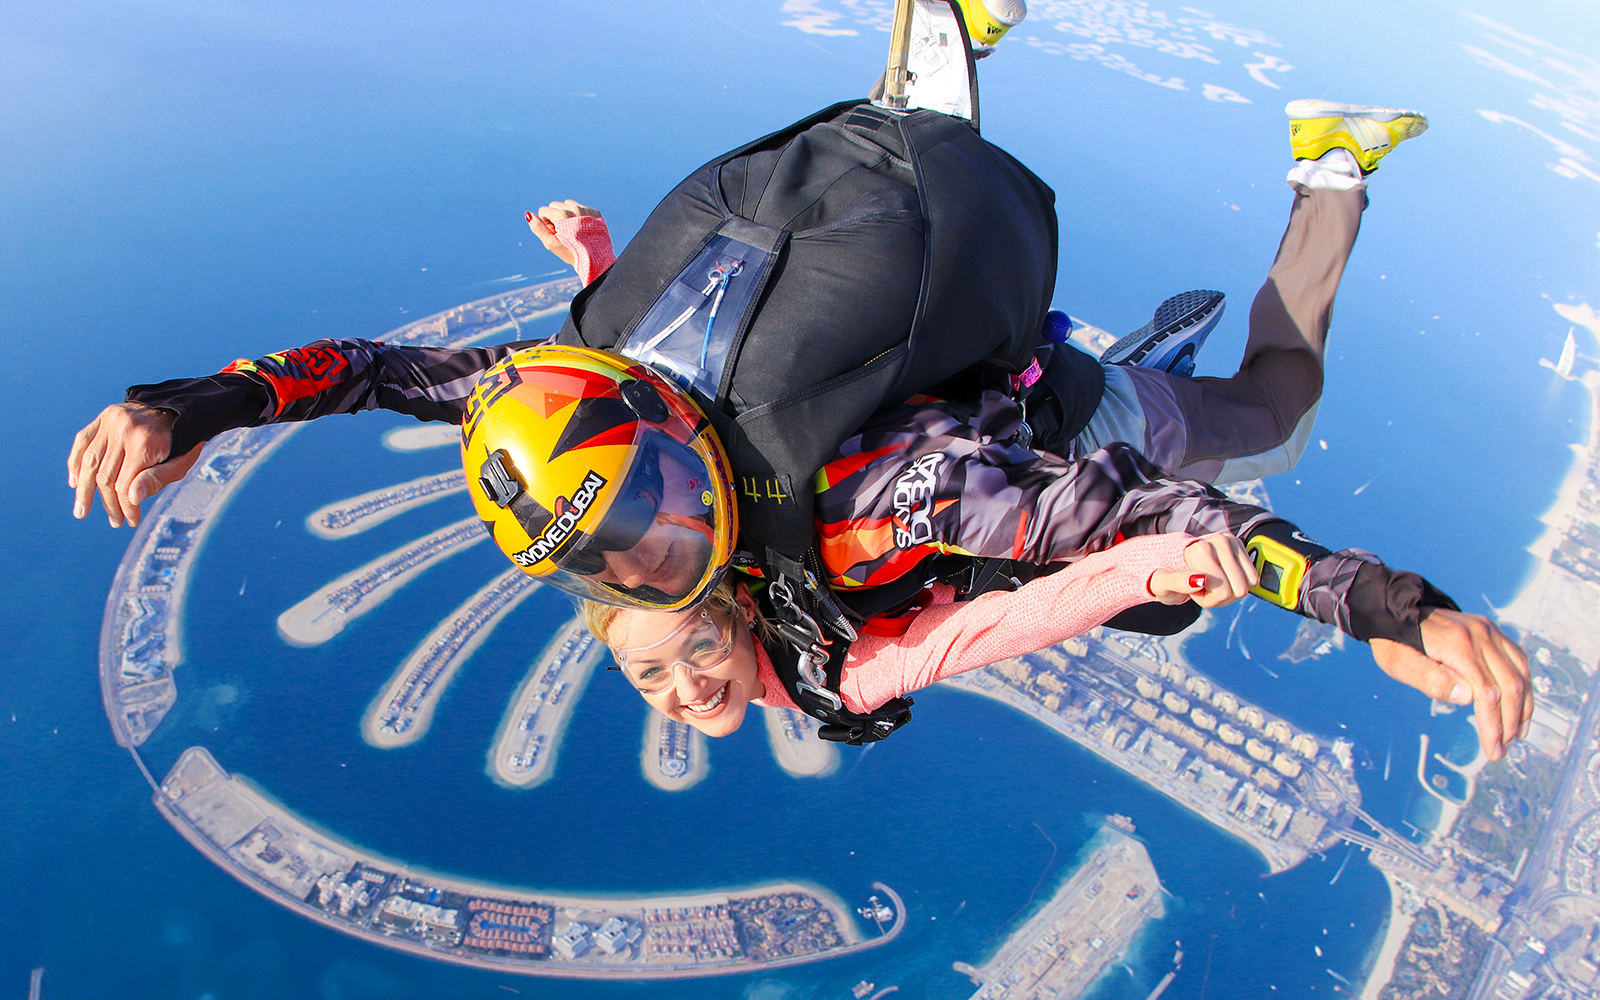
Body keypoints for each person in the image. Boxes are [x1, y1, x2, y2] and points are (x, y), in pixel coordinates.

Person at [66, 102, 1532, 758]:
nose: (663, 557)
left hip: (1071, 423)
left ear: (653, 429)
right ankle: (926, 120)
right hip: (885, 285)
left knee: (1270, 418)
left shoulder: (877, 498)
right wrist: (183, 404)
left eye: (648, 526)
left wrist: (1380, 605)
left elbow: (1158, 523)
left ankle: (1329, 170)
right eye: (642, 562)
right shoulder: (583, 387)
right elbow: (382, 373)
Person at [586, 532, 1259, 738]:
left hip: (1025, 547)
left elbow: (997, 628)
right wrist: (594, 262)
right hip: (958, 502)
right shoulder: (741, 537)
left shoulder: (837, 681)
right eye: (648, 672)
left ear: (740, 609)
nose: (688, 687)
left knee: (1173, 615)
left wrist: (1146, 575)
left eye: (700, 646)